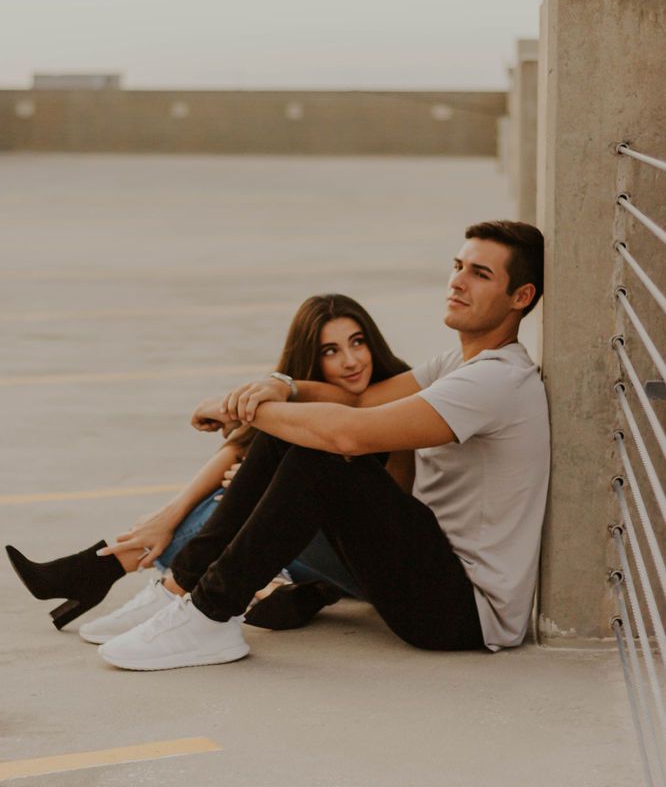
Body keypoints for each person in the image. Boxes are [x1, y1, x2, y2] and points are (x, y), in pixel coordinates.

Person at [95, 220, 550, 672]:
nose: (458, 281)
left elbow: (351, 432)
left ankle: (210, 615)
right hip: (423, 573)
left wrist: (240, 409)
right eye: (458, 266)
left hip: (464, 611)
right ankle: (180, 590)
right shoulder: (460, 362)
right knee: (292, 434)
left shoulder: (497, 380)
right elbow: (359, 397)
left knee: (324, 457)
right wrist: (282, 387)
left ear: (521, 297)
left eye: (480, 274)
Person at [5, 294, 411, 640]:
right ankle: (265, 591)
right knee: (220, 500)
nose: (352, 361)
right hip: (317, 547)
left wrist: (275, 487)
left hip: (374, 561)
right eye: (330, 350)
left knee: (227, 511)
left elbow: (388, 502)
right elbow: (237, 451)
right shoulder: (307, 399)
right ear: (312, 359)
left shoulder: (395, 394)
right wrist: (169, 514)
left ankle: (115, 575)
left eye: (358, 342)